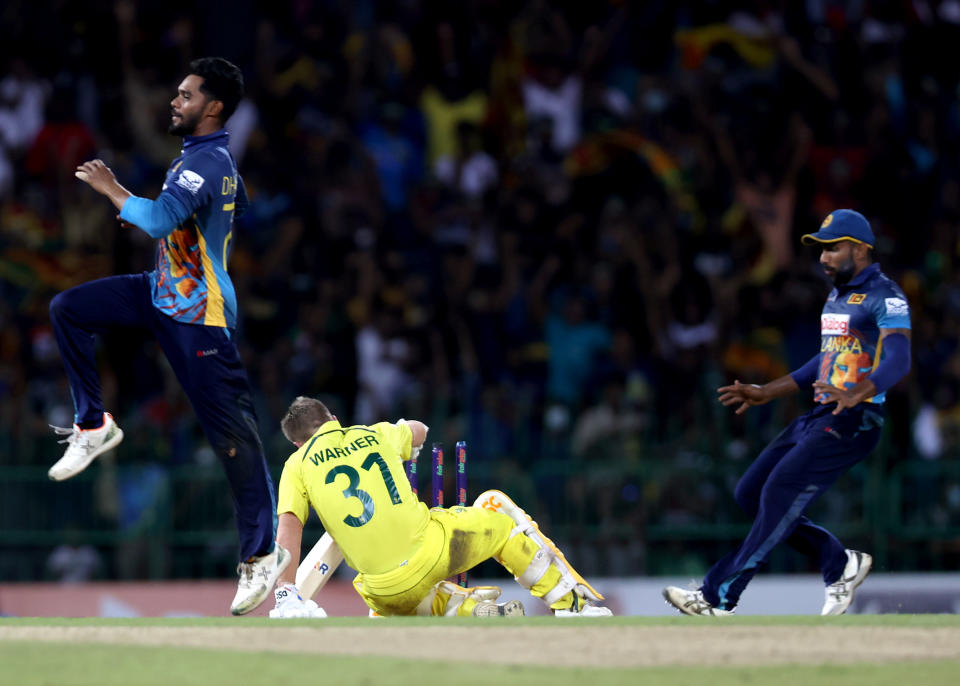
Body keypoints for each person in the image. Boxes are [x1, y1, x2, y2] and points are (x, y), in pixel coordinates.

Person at [47, 57, 288, 615]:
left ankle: (260, 555)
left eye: (185, 95)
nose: (174, 102)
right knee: (69, 309)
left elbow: (159, 222)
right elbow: (227, 209)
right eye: (176, 93)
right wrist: (169, 218)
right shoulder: (208, 161)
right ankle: (93, 424)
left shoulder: (205, 162)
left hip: (196, 314)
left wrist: (114, 191)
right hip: (162, 290)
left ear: (214, 107)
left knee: (233, 438)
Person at [664, 209, 911, 616]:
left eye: (832, 248)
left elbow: (899, 360)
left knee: (779, 490)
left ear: (861, 249)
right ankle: (839, 563)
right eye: (821, 250)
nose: (824, 258)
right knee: (750, 493)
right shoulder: (837, 296)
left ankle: (717, 596)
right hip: (820, 414)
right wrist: (767, 390)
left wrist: (857, 394)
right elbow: (825, 359)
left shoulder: (887, 295)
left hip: (855, 418)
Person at [269, 396, 613, 618]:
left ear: (298, 443)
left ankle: (471, 610)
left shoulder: (297, 465)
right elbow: (420, 430)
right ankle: (573, 606)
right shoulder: (372, 434)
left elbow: (288, 528)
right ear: (334, 418)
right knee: (499, 511)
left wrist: (285, 591)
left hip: (380, 591)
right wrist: (409, 442)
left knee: (408, 598)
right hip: (431, 551)